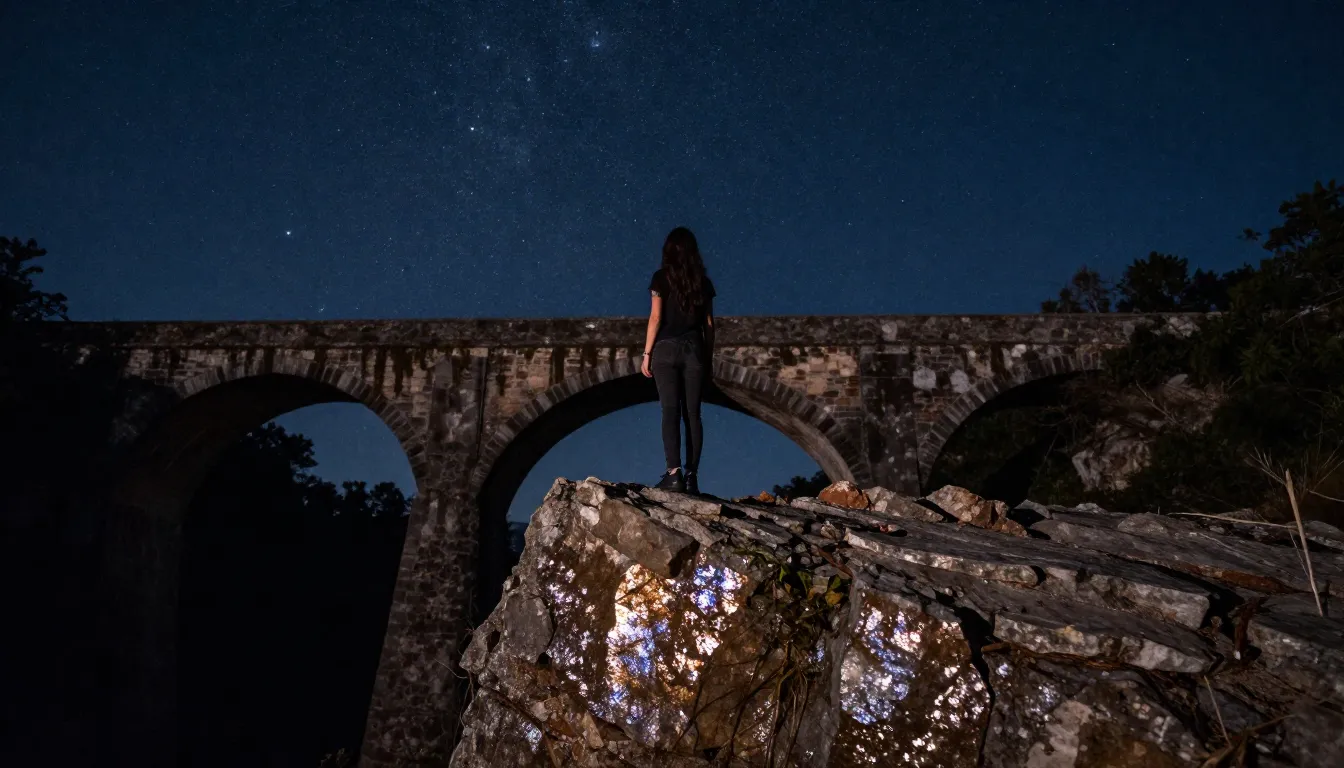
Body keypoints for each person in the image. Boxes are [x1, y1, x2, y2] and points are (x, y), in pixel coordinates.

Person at [641, 226, 716, 494]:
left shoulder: (660, 278)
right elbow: (709, 325)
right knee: (693, 414)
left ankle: (674, 475)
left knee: (670, 410)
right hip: (694, 350)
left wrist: (647, 354)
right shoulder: (703, 283)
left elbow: (656, 318)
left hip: (665, 350)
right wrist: (708, 358)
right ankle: (692, 476)